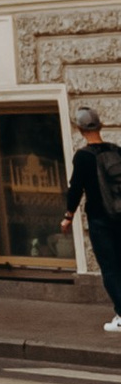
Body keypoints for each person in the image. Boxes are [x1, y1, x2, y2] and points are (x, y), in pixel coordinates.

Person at [65, 101, 121, 328]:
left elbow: (75, 188)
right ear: (100, 126)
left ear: (80, 130)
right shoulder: (116, 150)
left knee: (110, 268)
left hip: (101, 220)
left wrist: (68, 216)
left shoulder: (83, 157)